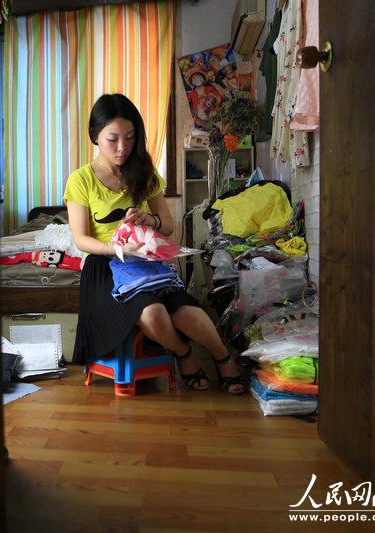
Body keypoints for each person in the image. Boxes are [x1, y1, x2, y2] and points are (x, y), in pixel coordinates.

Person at [62, 93, 245, 394]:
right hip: (106, 268)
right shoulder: (80, 180)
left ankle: (223, 356)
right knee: (152, 313)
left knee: (184, 311)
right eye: (113, 138)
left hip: (147, 261)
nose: (122, 147)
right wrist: (120, 248)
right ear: (95, 136)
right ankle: (184, 356)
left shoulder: (143, 171)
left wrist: (152, 222)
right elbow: (82, 240)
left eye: (130, 137)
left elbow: (169, 225)